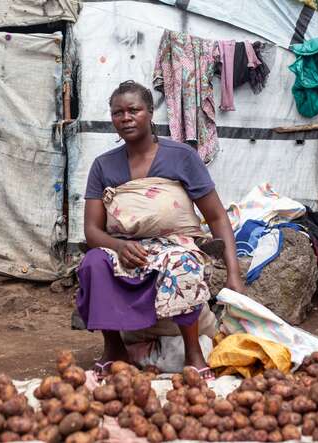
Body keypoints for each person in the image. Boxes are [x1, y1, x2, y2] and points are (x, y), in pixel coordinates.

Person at [76, 80, 244, 380]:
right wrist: (118, 247)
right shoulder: (103, 166)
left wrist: (233, 275)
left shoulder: (181, 157)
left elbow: (217, 217)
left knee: (183, 262)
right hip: (127, 249)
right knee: (92, 263)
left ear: (150, 113)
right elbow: (92, 230)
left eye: (133, 110)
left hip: (174, 245)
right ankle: (114, 348)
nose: (125, 118)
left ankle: (193, 352)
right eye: (117, 112)